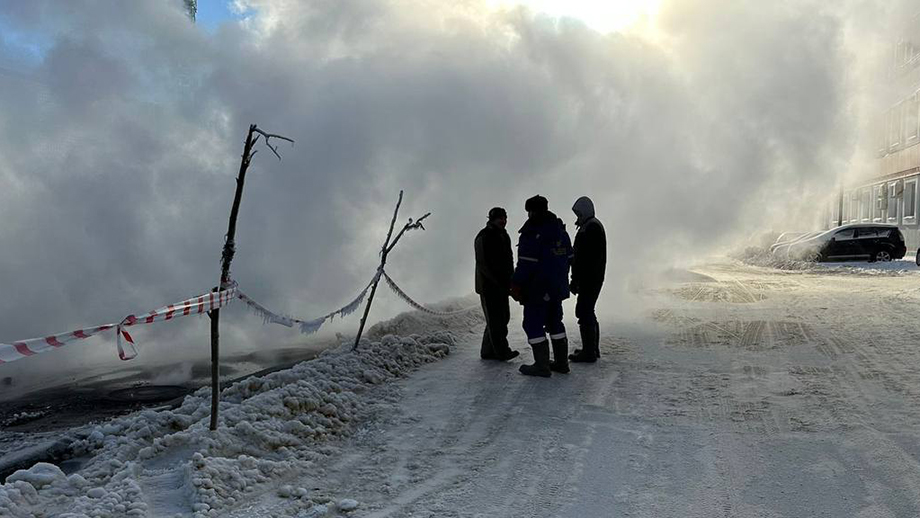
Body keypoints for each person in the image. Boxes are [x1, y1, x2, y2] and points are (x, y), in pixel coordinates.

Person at [510, 195, 573, 377]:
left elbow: (526, 264)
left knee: (532, 323)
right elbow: (569, 258)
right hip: (557, 287)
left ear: (532, 211)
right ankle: (561, 363)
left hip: (538, 288)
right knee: (555, 322)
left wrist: (515, 283)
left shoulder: (532, 233)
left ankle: (542, 365)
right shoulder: (561, 231)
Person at [475, 207, 519, 361]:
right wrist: (497, 282)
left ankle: (487, 351)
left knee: (502, 318)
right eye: (500, 218)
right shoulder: (483, 236)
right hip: (488, 286)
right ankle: (502, 352)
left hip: (502, 285)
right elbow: (482, 264)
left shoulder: (504, 235)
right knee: (495, 320)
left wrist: (511, 279)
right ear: (492, 219)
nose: (503, 221)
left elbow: (509, 258)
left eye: (505, 218)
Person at [568, 196, 606, 363]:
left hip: (589, 279)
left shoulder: (590, 228)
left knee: (584, 311)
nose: (577, 216)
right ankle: (591, 349)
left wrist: (577, 280)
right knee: (587, 311)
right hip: (592, 278)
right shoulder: (591, 225)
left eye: (578, 213)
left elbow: (585, 259)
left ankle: (589, 352)